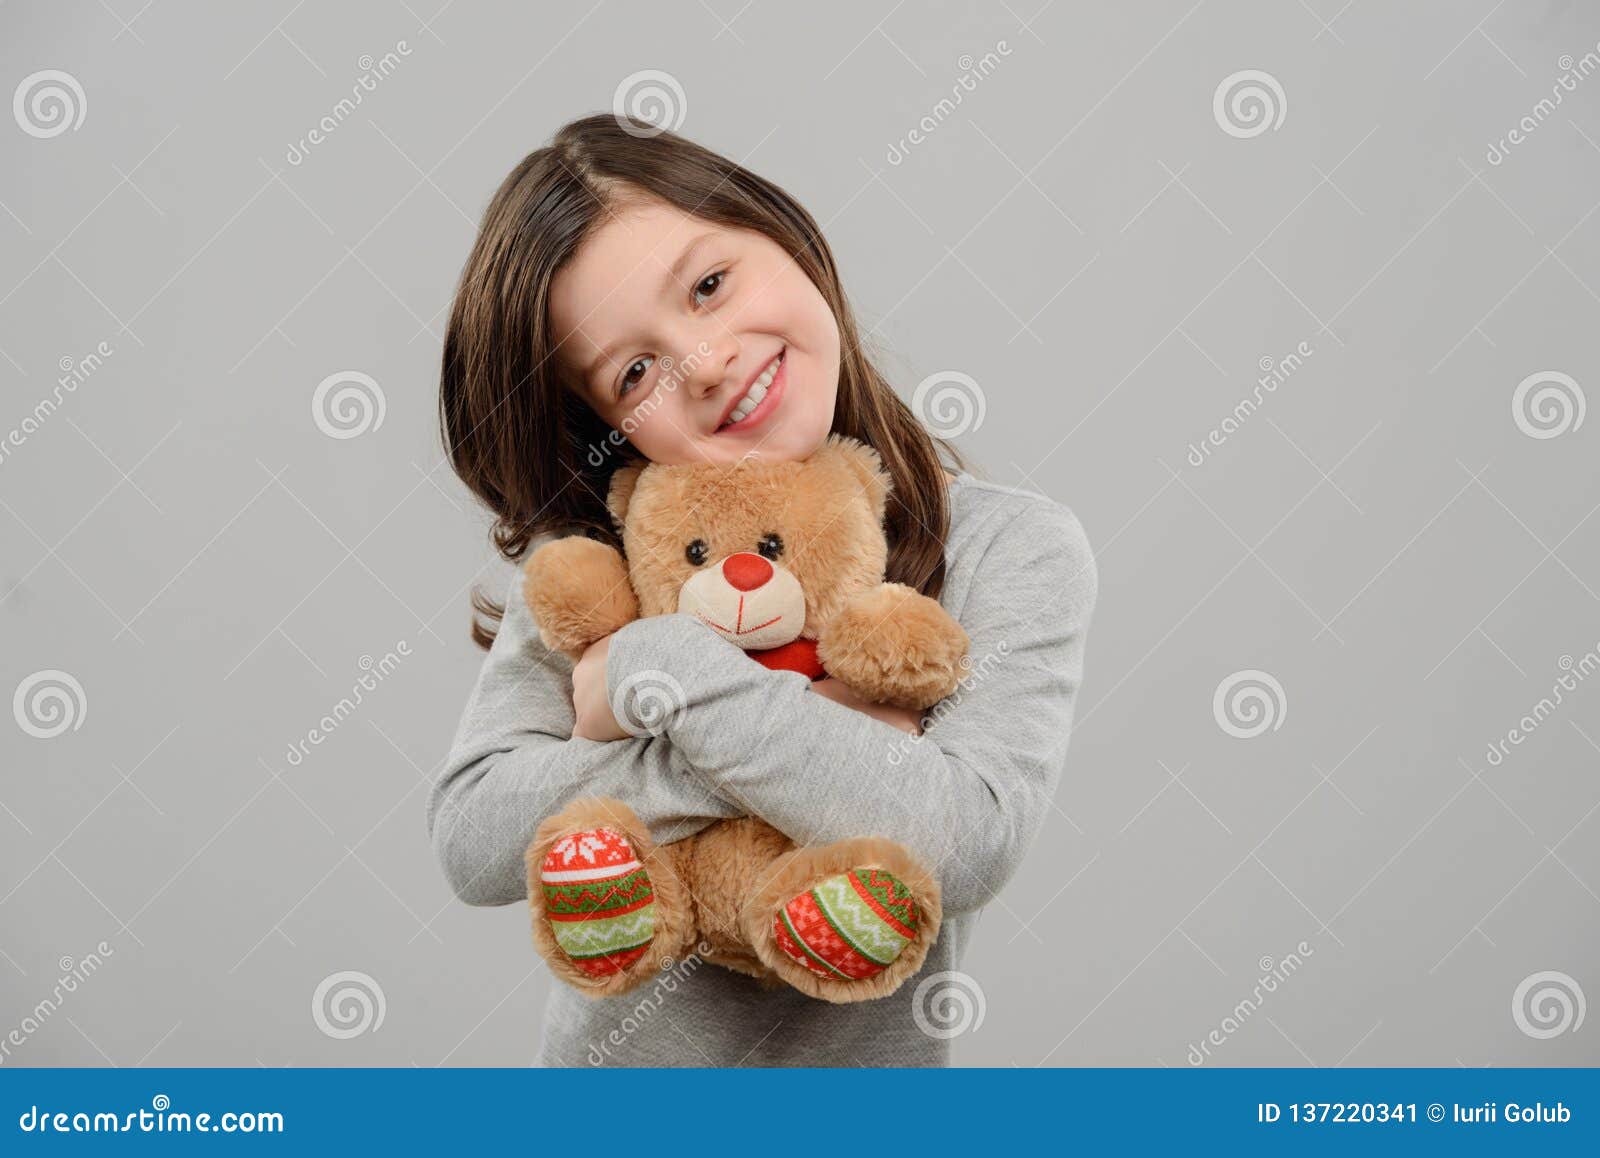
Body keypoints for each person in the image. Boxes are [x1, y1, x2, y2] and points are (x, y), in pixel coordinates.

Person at [429, 112, 1098, 1066]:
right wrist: (821, 730)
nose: (704, 366)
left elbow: (964, 838)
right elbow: (476, 838)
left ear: (783, 233)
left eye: (708, 285)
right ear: (609, 431)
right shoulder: (608, 568)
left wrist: (661, 681)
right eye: (635, 372)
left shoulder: (1011, 548)